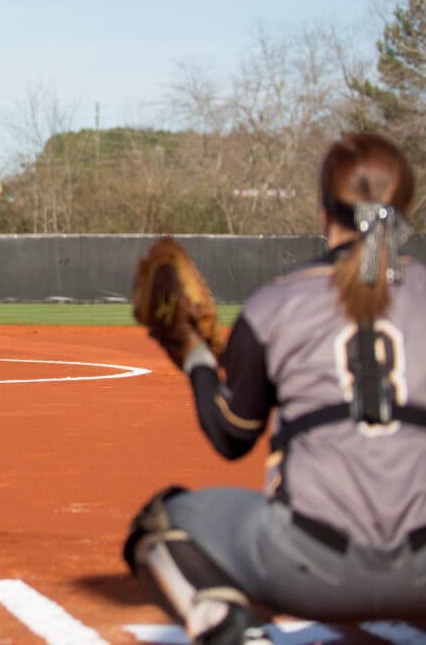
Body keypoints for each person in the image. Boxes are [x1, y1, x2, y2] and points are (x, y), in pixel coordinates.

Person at [123, 132, 426, 644]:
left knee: (162, 520)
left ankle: (223, 622)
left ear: (323, 208)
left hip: (308, 567)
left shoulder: (275, 304)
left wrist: (195, 354)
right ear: (404, 207)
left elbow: (231, 435)